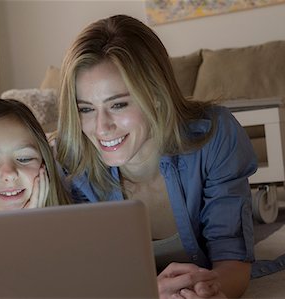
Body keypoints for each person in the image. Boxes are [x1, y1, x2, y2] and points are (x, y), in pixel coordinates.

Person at [54, 15, 257, 299]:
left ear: (157, 95)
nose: (101, 128)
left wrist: (206, 292)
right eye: (86, 109)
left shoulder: (215, 135)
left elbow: (233, 260)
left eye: (118, 104)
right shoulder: (70, 163)